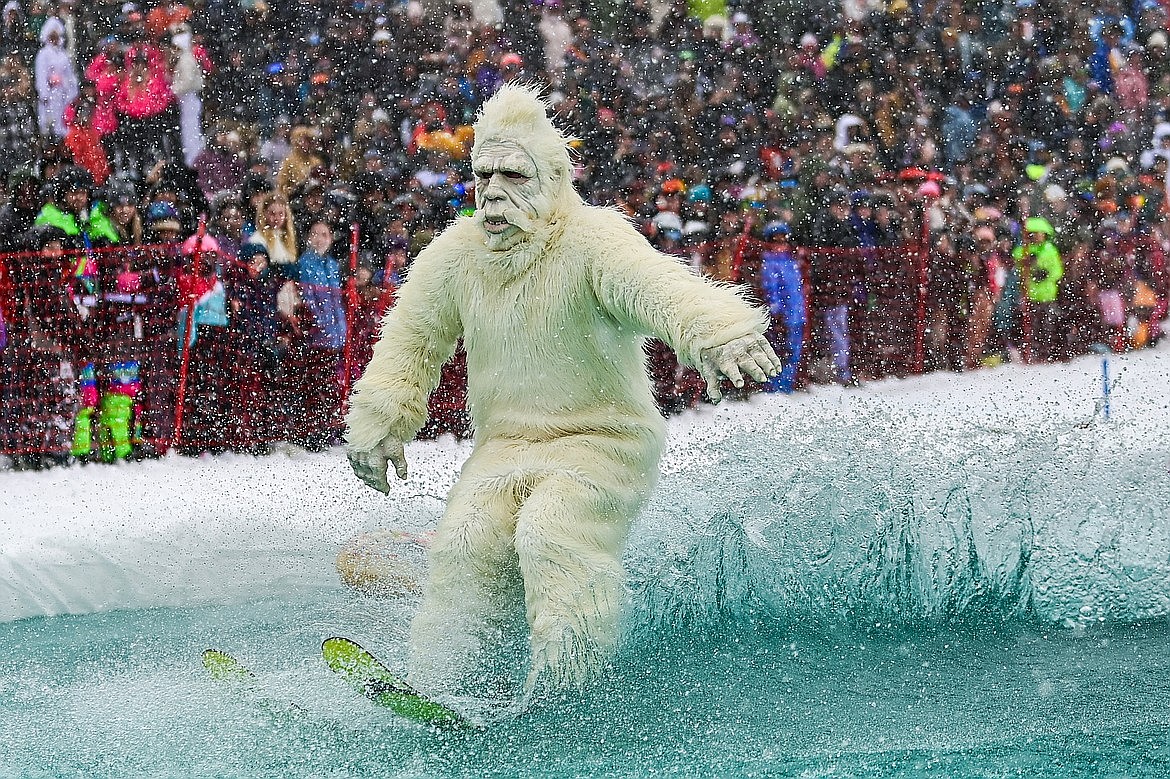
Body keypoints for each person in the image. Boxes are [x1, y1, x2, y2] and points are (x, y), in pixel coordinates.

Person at [344, 85, 780, 700]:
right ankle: (445, 684)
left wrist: (719, 332)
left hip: (603, 440)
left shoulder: (591, 241)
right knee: (467, 543)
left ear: (553, 178)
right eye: (484, 174)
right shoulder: (456, 256)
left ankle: (569, 689)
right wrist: (381, 419)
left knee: (551, 532)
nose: (493, 190)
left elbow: (658, 288)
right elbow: (409, 345)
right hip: (504, 446)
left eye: (513, 175)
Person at [758, 220, 806, 393]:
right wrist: (777, 311)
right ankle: (774, 386)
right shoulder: (770, 264)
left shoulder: (791, 262)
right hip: (783, 316)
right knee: (779, 351)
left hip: (796, 314)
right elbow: (771, 290)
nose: (780, 245)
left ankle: (787, 385)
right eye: (776, 241)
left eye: (783, 240)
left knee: (794, 351)